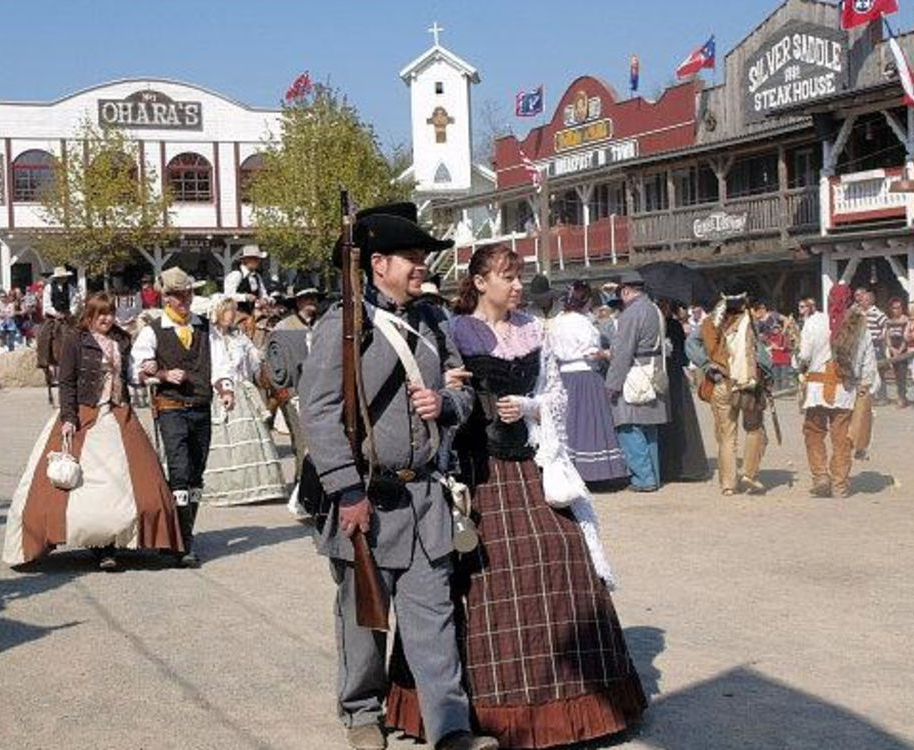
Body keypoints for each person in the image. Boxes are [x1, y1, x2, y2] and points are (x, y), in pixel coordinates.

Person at [388, 243, 646, 749]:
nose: (516, 284)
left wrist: (528, 405)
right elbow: (439, 388)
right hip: (472, 468)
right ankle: (466, 709)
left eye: (518, 275)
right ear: (480, 281)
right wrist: (451, 393)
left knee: (561, 550)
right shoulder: (453, 330)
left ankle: (572, 701)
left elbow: (556, 394)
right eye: (507, 275)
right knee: (477, 573)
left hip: (526, 463)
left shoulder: (535, 329)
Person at [300, 202, 496, 750]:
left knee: (433, 619)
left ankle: (450, 728)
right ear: (378, 263)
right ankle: (362, 712)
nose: (420, 266)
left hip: (427, 495)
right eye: (410, 257)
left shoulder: (434, 320)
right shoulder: (345, 325)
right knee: (364, 618)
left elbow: (462, 388)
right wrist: (346, 489)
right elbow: (317, 412)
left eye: (421, 257)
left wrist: (446, 404)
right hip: (368, 495)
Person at [3, 292, 184, 569]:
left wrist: (150, 370)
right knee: (69, 486)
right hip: (84, 413)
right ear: (89, 315)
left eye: (110, 313)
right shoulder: (76, 340)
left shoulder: (122, 340)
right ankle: (97, 546)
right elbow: (66, 382)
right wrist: (68, 417)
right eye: (101, 314)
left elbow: (131, 376)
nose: (107, 318)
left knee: (141, 481)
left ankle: (126, 542)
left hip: (118, 412)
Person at [131, 267, 234, 568]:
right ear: (166, 298)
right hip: (171, 406)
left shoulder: (205, 328)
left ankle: (185, 531)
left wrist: (225, 388)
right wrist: (161, 373)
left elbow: (220, 362)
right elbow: (136, 370)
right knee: (179, 469)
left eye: (187, 293)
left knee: (196, 473)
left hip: (201, 404)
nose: (184, 300)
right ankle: (181, 541)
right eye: (177, 295)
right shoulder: (153, 330)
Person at [201, 295, 286, 506]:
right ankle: (225, 488)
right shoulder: (208, 337)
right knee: (223, 441)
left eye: (233, 310)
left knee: (249, 439)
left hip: (241, 389)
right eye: (228, 311)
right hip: (218, 390)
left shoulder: (239, 336)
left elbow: (256, 358)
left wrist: (267, 340)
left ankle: (254, 486)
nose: (232, 315)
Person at [688, 286, 773, 496]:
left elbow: (690, 344)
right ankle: (749, 474)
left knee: (726, 436)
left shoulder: (709, 322)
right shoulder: (749, 320)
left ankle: (728, 485)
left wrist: (707, 365)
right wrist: (767, 375)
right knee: (754, 429)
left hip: (720, 382)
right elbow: (760, 355)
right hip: (747, 384)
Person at [797, 284, 878, 498]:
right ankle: (839, 484)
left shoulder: (814, 321)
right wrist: (866, 389)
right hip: (845, 389)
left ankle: (821, 476)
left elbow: (804, 356)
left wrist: (800, 367)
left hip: (816, 388)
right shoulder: (860, 325)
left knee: (814, 432)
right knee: (842, 437)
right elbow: (868, 364)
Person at [546, 281, 627, 482]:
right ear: (586, 300)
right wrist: (605, 354)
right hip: (585, 375)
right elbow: (591, 353)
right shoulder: (583, 322)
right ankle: (594, 471)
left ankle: (570, 470)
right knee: (589, 421)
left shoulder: (557, 321)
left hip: (563, 376)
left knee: (568, 423)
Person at [605, 270, 668, 492]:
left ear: (625, 290)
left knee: (628, 426)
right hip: (654, 372)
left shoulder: (631, 314)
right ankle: (654, 475)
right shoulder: (655, 309)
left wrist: (611, 384)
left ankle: (643, 478)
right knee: (649, 429)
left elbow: (622, 354)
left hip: (634, 373)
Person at [658, 298, 709, 483]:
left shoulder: (674, 325)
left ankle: (687, 467)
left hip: (674, 376)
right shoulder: (656, 324)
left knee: (681, 420)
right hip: (662, 374)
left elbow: (682, 356)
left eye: (664, 306)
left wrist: (668, 349)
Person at [36, 266, 80, 371]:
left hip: (67, 316)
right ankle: (44, 360)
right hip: (53, 317)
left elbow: (74, 303)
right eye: (60, 277)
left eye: (64, 277)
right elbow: (47, 305)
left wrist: (70, 313)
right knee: (43, 335)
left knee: (78, 334)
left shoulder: (71, 288)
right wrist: (56, 314)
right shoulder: (49, 288)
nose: (62, 279)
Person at [224, 244, 269, 335]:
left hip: (253, 315)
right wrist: (245, 297)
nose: (258, 262)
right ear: (247, 260)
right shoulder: (236, 275)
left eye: (258, 259)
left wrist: (264, 299)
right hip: (237, 315)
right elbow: (228, 296)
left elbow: (263, 293)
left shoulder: (257, 277)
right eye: (256, 259)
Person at [884, 297, 910, 408]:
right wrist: (890, 348)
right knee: (896, 374)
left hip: (903, 349)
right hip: (893, 349)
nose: (897, 310)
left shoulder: (906, 320)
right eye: (894, 308)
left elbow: (906, 336)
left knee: (902, 375)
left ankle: (902, 398)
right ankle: (901, 396)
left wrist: (900, 350)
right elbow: (887, 335)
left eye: (899, 307)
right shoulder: (888, 321)